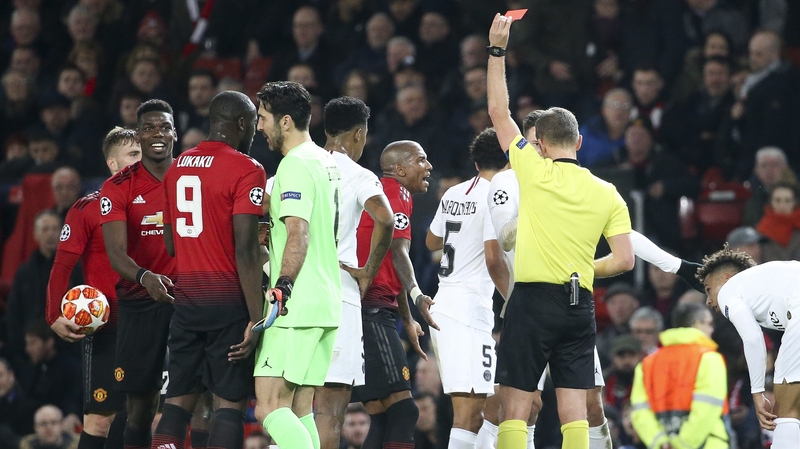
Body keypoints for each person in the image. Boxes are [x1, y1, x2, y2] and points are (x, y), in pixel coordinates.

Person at [486, 14, 634, 449]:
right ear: (580, 143)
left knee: (515, 408)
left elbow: (498, 110)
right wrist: (584, 267)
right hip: (580, 302)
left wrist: (497, 50)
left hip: (532, 300)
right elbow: (625, 260)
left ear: (541, 146)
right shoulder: (608, 191)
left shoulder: (534, 171)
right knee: (573, 414)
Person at [152, 90, 266, 449]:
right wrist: (257, 318)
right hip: (229, 302)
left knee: (178, 402)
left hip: (186, 302)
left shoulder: (178, 165)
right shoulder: (247, 169)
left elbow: (170, 245)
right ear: (243, 123)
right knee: (229, 405)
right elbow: (246, 252)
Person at [252, 81, 342, 449]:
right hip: (326, 302)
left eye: (263, 118)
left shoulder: (294, 164)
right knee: (300, 407)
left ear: (285, 121)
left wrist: (282, 286)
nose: (259, 127)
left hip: (296, 303)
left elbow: (298, 233)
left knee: (269, 407)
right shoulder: (326, 161)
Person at [45, 127, 141, 449]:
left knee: (148, 415)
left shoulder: (165, 204)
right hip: (107, 328)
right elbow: (62, 265)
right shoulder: (87, 208)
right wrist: (52, 314)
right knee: (100, 421)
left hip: (153, 322)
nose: (142, 160)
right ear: (113, 163)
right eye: (133, 154)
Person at [314, 97, 394, 449]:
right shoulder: (360, 175)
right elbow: (386, 219)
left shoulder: (296, 164)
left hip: (293, 293)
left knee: (294, 402)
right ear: (359, 134)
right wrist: (367, 272)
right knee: (330, 412)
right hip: (338, 291)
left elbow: (261, 220)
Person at [99, 99, 177, 449]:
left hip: (191, 299)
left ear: (174, 132)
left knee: (201, 396)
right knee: (141, 406)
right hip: (140, 303)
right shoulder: (118, 187)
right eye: (149, 128)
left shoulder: (192, 176)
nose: (157, 134)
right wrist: (146, 277)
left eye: (164, 127)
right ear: (139, 136)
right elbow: (116, 253)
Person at [424, 127, 508, 449]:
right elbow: (492, 258)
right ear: (508, 163)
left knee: (487, 409)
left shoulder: (453, 193)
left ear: (475, 163)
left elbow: (432, 240)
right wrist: (514, 298)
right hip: (468, 312)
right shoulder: (496, 197)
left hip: (446, 304)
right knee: (469, 415)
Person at [352, 139, 436, 449]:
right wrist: (417, 295)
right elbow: (400, 253)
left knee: (382, 413)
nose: (428, 167)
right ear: (399, 169)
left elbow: (389, 260)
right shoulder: (394, 192)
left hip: (367, 306)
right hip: (371, 309)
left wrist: (407, 321)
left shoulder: (386, 192)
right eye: (421, 160)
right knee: (403, 409)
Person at [697, 245, 800, 448]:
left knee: (785, 405)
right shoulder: (762, 288)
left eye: (709, 290)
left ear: (726, 278)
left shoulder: (729, 290)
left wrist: (758, 391)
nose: (708, 301)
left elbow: (753, 338)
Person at [630, 301, 729, 448]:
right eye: (709, 323)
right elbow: (707, 409)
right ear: (697, 325)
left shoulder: (647, 364)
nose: (712, 330)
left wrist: (660, 442)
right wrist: (682, 444)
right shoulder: (709, 358)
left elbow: (640, 412)